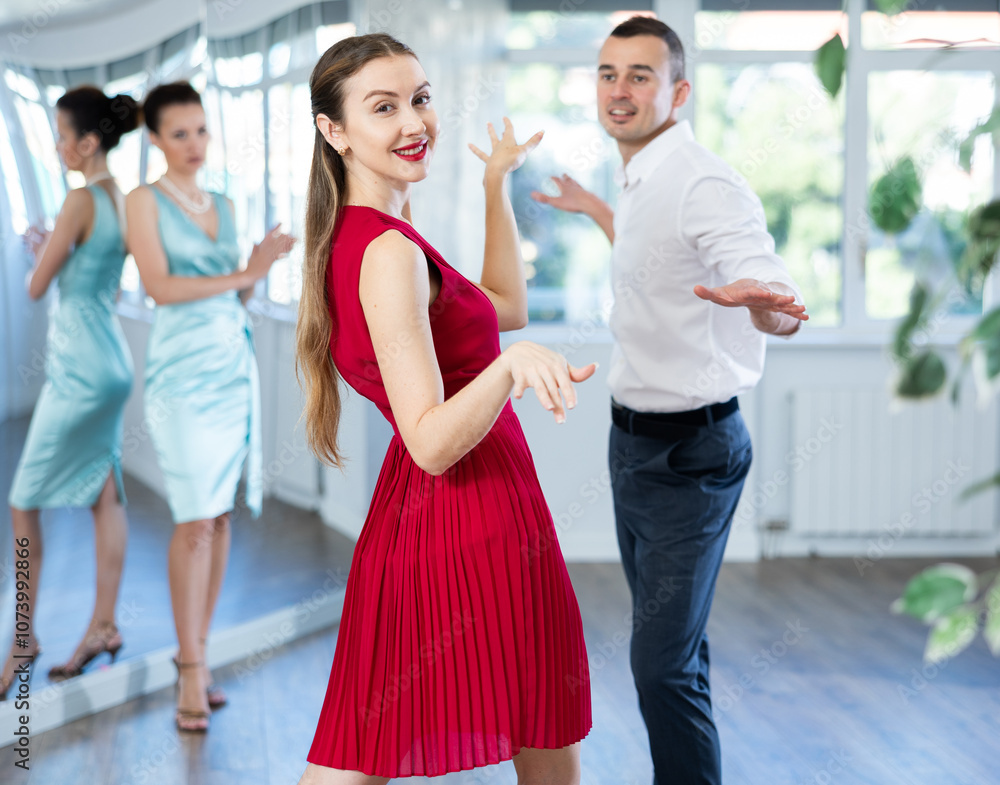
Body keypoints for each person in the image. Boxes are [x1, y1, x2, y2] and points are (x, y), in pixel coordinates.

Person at [296, 33, 593, 783]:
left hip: (433, 511)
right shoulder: (386, 252)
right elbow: (430, 440)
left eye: (421, 98)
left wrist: (496, 185)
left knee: (363, 742)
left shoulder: (373, 238)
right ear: (334, 131)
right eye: (384, 107)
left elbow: (506, 306)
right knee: (532, 716)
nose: (413, 122)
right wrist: (506, 372)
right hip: (467, 508)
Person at [531, 16, 808, 785]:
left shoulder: (703, 180)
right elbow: (658, 251)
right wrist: (595, 211)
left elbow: (776, 297)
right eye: (609, 73)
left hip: (691, 454)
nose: (620, 90)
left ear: (678, 92)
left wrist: (761, 305)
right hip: (633, 448)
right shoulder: (643, 176)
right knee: (678, 655)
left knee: (658, 667)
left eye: (641, 75)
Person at [126, 81, 294, 732]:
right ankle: (191, 666)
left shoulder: (223, 201)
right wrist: (248, 272)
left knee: (219, 518)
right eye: (179, 134)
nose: (194, 144)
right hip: (181, 377)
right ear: (155, 140)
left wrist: (253, 274)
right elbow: (162, 288)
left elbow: (236, 301)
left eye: (201, 130)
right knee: (194, 517)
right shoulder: (143, 201)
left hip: (231, 369)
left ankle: (195, 649)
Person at [3, 86, 139, 700]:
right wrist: (52, 249)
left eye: (62, 136)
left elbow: (37, 287)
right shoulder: (119, 197)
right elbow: (96, 276)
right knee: (104, 496)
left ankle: (24, 636)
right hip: (111, 360)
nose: (58, 146)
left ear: (88, 143)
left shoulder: (81, 198)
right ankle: (104, 625)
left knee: (23, 500)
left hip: (79, 371)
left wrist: (42, 250)